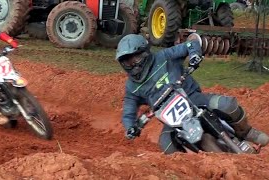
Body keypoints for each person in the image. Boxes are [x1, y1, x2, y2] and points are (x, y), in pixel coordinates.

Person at [115, 33, 269, 154]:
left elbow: (190, 44)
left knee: (227, 105)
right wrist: (130, 127)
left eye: (134, 58)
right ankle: (191, 168)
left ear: (144, 53)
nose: (132, 64)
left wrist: (194, 55)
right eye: (127, 62)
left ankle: (247, 132)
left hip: (193, 98)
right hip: (173, 122)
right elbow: (128, 111)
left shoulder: (164, 56)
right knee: (166, 145)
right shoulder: (132, 86)